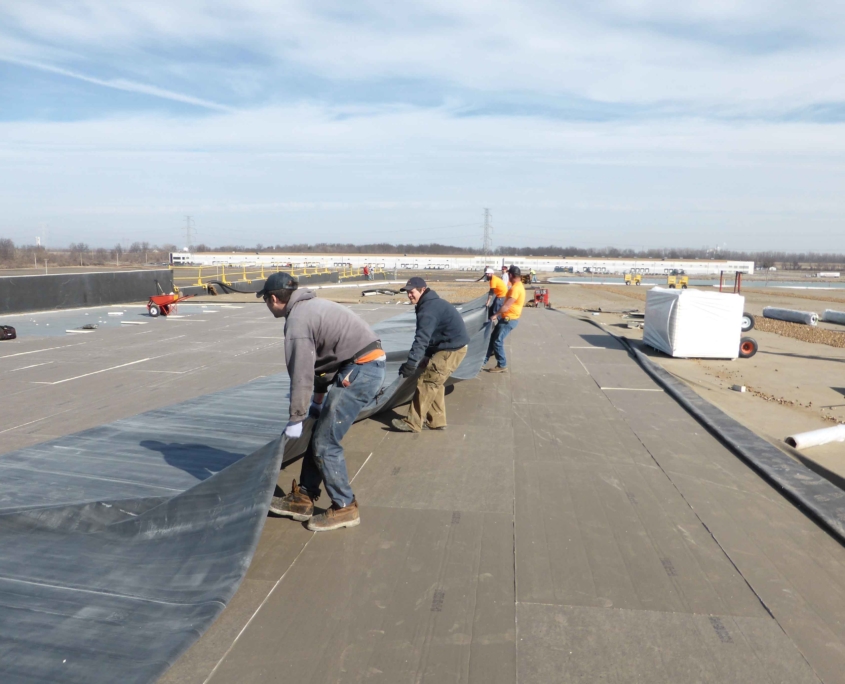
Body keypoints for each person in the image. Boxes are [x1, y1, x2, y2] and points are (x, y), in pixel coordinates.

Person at [259, 271, 386, 532]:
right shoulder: (309, 307)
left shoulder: (297, 322)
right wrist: (317, 401)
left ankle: (345, 507)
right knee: (320, 433)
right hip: (359, 364)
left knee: (325, 442)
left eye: (265, 300)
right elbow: (322, 364)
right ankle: (304, 496)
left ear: (273, 298)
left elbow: (302, 373)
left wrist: (296, 417)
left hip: (361, 369)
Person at [391, 277, 470, 433]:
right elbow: (433, 335)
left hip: (450, 350)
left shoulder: (428, 309)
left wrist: (411, 364)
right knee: (435, 382)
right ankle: (436, 420)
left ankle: (412, 423)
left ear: (422, 289)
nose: (409, 296)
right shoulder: (429, 303)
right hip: (449, 347)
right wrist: (427, 355)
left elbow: (421, 339)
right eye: (407, 292)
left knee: (427, 382)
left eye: (412, 292)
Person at [484, 265, 526, 373]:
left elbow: (506, 306)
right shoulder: (518, 286)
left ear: (511, 275)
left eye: (508, 275)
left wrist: (495, 315)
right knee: (493, 338)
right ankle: (483, 360)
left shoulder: (515, 289)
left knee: (497, 341)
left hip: (509, 319)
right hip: (507, 318)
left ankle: (502, 364)